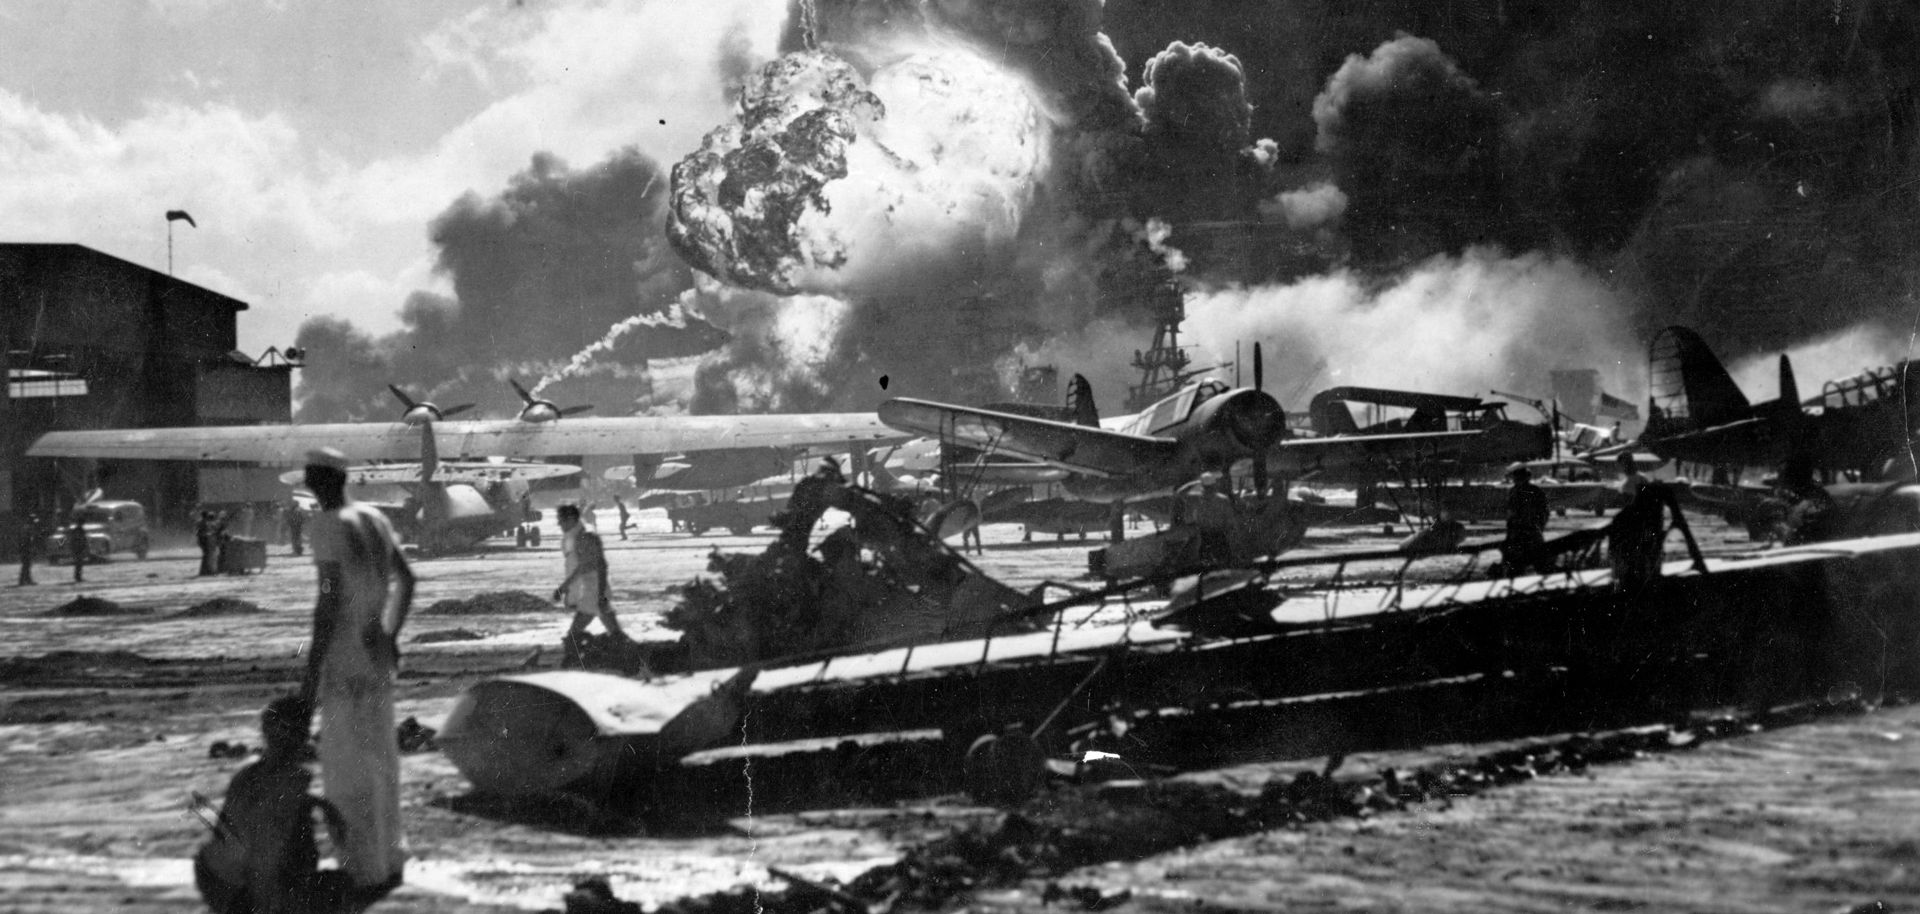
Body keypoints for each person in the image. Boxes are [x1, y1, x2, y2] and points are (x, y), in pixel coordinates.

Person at [299, 447, 412, 903]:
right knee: (380, 755)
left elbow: (327, 602)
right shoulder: (374, 519)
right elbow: (407, 579)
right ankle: (388, 858)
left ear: (316, 481)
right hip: (375, 652)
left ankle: (361, 867)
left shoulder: (326, 527)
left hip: (345, 654)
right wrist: (389, 633)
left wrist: (310, 671)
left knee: (346, 764)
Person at [193, 695, 353, 914]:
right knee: (337, 884)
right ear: (303, 739)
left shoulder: (245, 775)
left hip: (217, 882)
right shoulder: (293, 782)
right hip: (251, 892)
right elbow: (265, 854)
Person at [553, 503, 633, 667]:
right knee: (613, 629)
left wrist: (601, 593)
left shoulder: (587, 537)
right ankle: (631, 657)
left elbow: (601, 565)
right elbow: (582, 566)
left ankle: (573, 663)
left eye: (561, 521)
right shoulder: (578, 538)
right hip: (593, 589)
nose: (559, 525)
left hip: (594, 590)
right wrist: (564, 587)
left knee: (575, 633)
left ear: (571, 519)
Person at [1501, 464, 1551, 575]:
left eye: (1518, 478)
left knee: (1539, 562)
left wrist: (1538, 525)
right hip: (1519, 531)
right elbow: (1511, 511)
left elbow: (1544, 511)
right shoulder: (1514, 491)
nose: (1516, 481)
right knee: (1516, 564)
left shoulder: (1534, 491)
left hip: (1529, 530)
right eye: (1515, 478)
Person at [196, 510, 222, 576]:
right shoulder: (206, 523)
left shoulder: (200, 522)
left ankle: (205, 571)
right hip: (206, 540)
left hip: (202, 540)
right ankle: (207, 571)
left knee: (206, 555)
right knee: (209, 555)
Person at [16, 512, 38, 586]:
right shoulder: (27, 528)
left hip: (26, 549)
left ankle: (27, 580)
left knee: (27, 565)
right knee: (26, 565)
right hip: (26, 549)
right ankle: (22, 581)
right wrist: (28, 548)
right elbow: (25, 540)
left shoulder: (28, 528)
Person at [67, 517, 87, 583]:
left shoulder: (77, 530)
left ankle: (78, 576)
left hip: (78, 548)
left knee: (79, 563)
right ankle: (78, 577)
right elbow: (80, 539)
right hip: (78, 548)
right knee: (79, 563)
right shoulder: (79, 530)